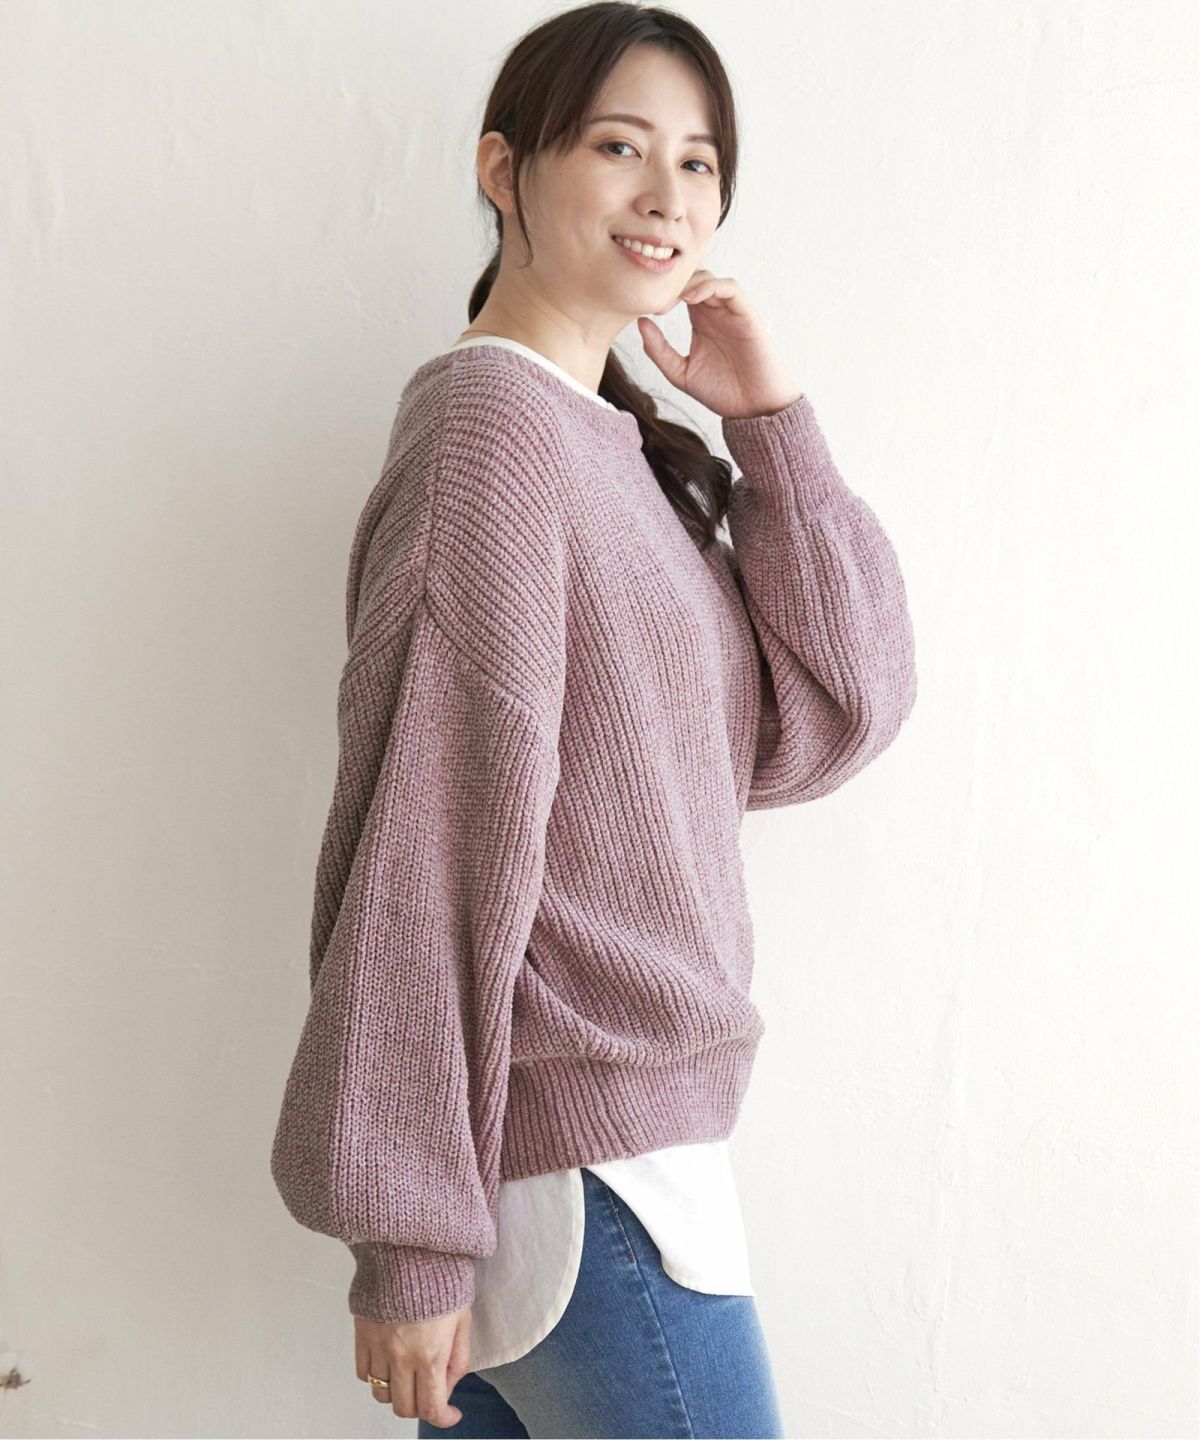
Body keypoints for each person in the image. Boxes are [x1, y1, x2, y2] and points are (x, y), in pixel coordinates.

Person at [269, 3, 919, 1436]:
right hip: (585, 1181)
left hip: (618, 1164)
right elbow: (423, 844)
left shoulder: (617, 456)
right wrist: (408, 1235)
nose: (668, 196)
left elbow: (834, 713)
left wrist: (773, 425)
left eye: (699, 163)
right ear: (504, 168)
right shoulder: (492, 435)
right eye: (621, 147)